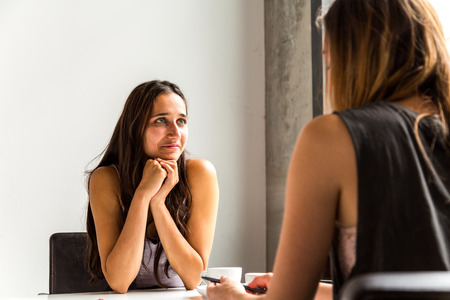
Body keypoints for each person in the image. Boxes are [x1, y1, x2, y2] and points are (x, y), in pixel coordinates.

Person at [207, 0, 450, 299]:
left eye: (331, 62)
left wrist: (232, 295)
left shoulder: (332, 138)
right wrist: (313, 289)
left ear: (356, 62)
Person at [85, 80, 219, 293]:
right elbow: (119, 282)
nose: (175, 133)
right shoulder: (106, 179)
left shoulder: (200, 173)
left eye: (181, 121)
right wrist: (143, 194)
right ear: (135, 128)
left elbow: (194, 278)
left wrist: (158, 203)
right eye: (161, 121)